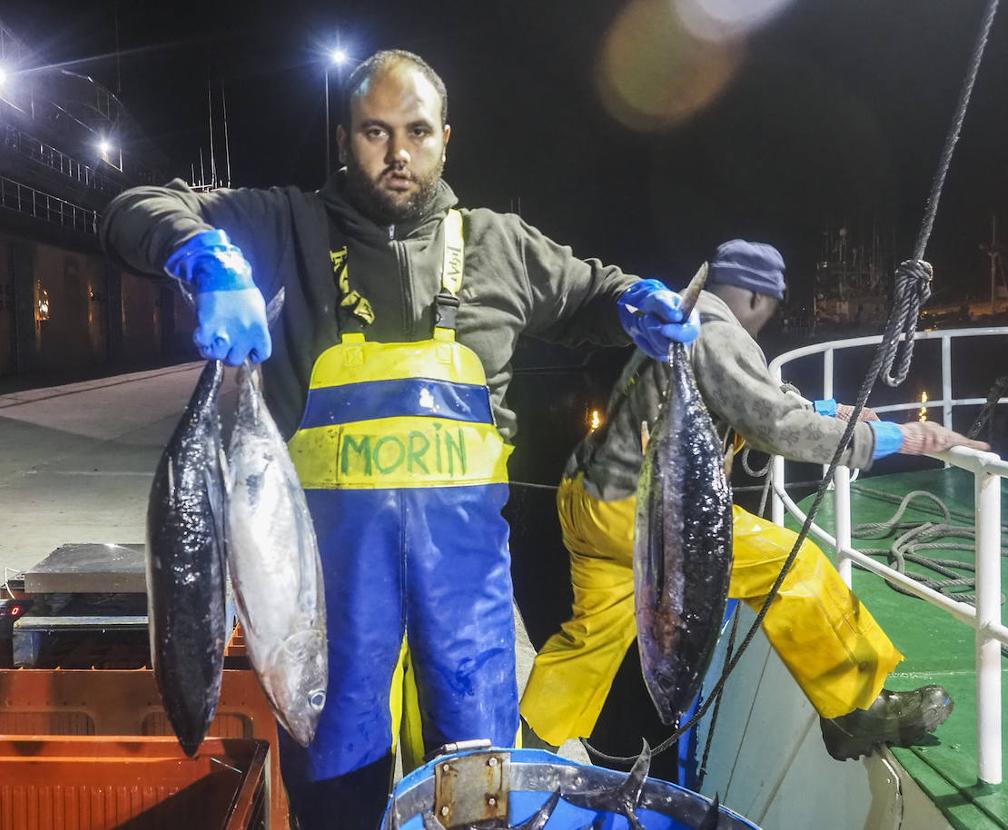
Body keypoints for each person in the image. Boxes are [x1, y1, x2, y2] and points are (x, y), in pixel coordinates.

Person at [100, 49, 699, 829]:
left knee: (480, 786)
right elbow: (131, 208)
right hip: (328, 596)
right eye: (374, 132)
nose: (397, 153)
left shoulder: (502, 247)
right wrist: (204, 256)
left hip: (471, 598)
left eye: (416, 131)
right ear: (344, 137)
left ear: (446, 137)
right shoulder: (286, 226)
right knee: (337, 789)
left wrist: (631, 304)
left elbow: (591, 293)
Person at [519, 240, 990, 763]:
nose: (769, 316)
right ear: (754, 296)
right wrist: (902, 439)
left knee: (592, 637)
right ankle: (856, 709)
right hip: (648, 512)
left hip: (588, 500)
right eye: (771, 303)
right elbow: (776, 426)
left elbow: (758, 393)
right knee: (795, 568)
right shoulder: (717, 332)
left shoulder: (692, 321)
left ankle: (529, 747)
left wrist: (833, 411)